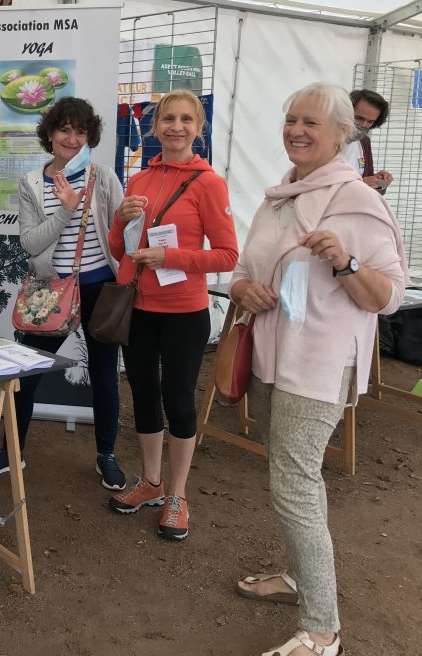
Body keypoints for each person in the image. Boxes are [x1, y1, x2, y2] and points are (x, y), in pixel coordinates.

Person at [231, 83, 407, 656]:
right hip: (271, 357)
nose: (296, 131)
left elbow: (387, 295)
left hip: (318, 363)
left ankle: (323, 630)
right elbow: (242, 267)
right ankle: (300, 578)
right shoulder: (280, 194)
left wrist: (345, 260)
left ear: (340, 134)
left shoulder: (358, 201)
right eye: (289, 120)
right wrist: (244, 288)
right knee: (287, 479)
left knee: (295, 483)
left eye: (309, 122)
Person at [107, 89, 238, 541]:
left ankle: (178, 495)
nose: (176, 127)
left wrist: (173, 257)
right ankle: (151, 482)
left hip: (184, 312)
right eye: (168, 119)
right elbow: (119, 248)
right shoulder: (139, 181)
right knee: (143, 395)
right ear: (155, 126)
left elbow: (227, 256)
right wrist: (118, 220)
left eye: (186, 120)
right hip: (139, 308)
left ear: (198, 129)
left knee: (178, 401)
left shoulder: (208, 183)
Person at [1, 97, 126, 488]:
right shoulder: (32, 182)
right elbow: (30, 244)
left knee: (104, 376)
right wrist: (66, 210)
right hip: (49, 291)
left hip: (101, 289)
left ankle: (106, 455)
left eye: (80, 131)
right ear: (50, 134)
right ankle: (9, 453)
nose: (72, 138)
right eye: (64, 129)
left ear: (90, 137)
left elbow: (120, 235)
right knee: (25, 374)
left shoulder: (103, 177)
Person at [344, 89, 393, 193]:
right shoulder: (323, 140)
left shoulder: (364, 142)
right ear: (345, 111)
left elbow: (368, 184)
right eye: (358, 118)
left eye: (370, 121)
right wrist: (359, 184)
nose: (364, 125)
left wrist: (378, 181)